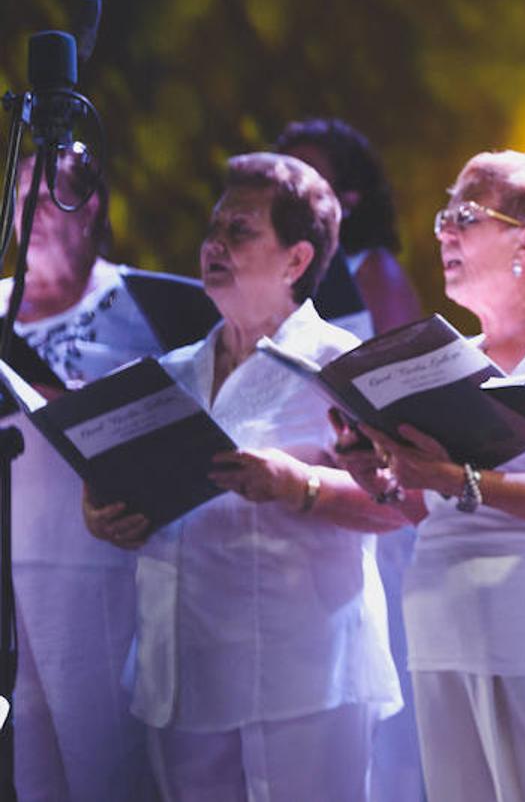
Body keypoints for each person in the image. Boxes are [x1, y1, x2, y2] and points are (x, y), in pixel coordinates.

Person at [83, 152, 405, 801]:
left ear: (297, 259)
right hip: (183, 668)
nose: (215, 244)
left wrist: (299, 486)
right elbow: (121, 487)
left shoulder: (343, 366)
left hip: (303, 669)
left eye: (241, 230)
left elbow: (400, 504)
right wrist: (103, 512)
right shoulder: (170, 375)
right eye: (214, 228)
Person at [342, 150, 525, 802]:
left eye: (465, 215)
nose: (443, 232)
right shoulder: (448, 361)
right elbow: (427, 504)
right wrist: (381, 473)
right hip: (441, 611)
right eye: (444, 216)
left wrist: (454, 476)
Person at [2, 150, 161, 802]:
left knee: (101, 761)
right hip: (11, 567)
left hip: (97, 562)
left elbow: (160, 423)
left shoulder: (134, 304)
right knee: (33, 760)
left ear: (88, 206)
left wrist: (60, 397)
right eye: (19, 198)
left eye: (46, 197)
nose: (29, 214)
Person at [276, 117, 424, 802]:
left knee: (388, 682)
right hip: (305, 498)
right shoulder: (279, 284)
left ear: (352, 198)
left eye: (311, 174)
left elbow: (408, 383)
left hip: (376, 485)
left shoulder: (373, 271)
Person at [276, 117, 422, 336]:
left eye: (302, 173)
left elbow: (404, 360)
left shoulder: (374, 271)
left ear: (348, 198)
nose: (285, 184)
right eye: (282, 170)